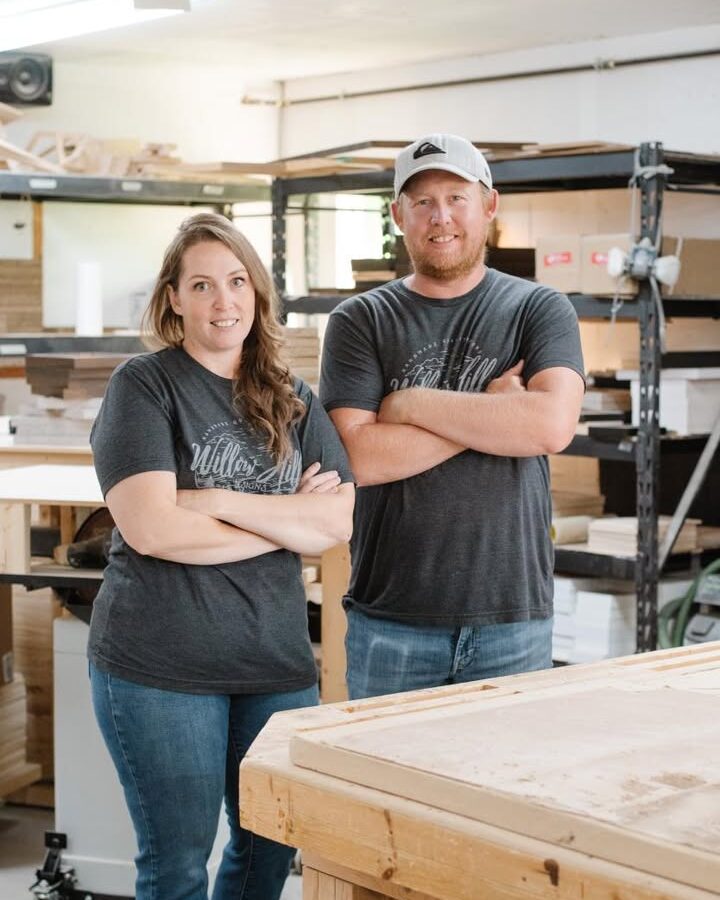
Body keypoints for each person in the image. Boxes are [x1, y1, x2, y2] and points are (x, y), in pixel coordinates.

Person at [88, 212, 354, 900]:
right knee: (178, 865)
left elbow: (334, 520)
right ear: (174, 298)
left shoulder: (293, 398)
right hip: (161, 667)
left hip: (275, 662)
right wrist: (283, 523)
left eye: (237, 282)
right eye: (202, 285)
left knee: (270, 853)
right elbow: (153, 531)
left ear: (257, 293)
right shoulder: (144, 387)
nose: (223, 301)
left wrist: (212, 500)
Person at [320, 133, 585, 700]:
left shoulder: (539, 308)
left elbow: (549, 427)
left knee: (504, 787)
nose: (441, 217)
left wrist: (411, 404)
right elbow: (357, 456)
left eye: (456, 197)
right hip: (391, 620)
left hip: (512, 618)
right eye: (422, 202)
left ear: (488, 206)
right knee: (380, 789)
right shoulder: (360, 321)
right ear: (398, 216)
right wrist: (495, 414)